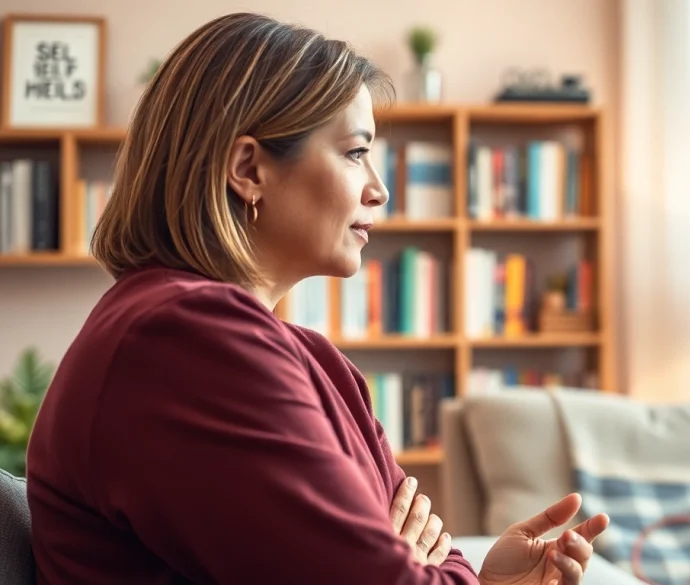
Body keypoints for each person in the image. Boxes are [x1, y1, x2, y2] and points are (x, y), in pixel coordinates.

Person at [25, 12, 609, 585]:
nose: (379, 190)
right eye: (356, 153)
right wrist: (405, 564)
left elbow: (421, 559)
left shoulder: (312, 360)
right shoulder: (183, 337)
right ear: (248, 168)